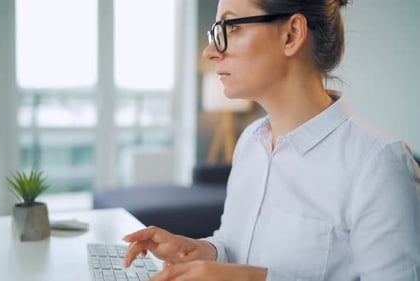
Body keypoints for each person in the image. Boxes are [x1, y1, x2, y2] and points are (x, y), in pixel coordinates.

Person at [123, 0, 420, 280]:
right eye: (215, 32)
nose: (210, 51)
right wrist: (200, 251)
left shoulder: (379, 163)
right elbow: (234, 246)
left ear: (291, 35)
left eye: (230, 28)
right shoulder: (250, 142)